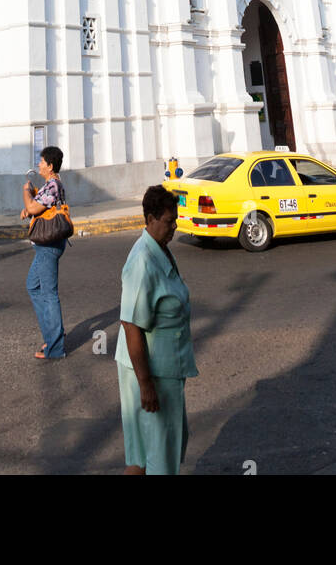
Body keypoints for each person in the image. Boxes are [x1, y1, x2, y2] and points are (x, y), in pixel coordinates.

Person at [115, 185, 198, 475]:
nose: (174, 227)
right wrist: (146, 385)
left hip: (161, 367)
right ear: (150, 219)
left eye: (175, 220)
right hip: (150, 372)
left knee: (142, 455)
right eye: (168, 221)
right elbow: (131, 325)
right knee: (160, 455)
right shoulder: (143, 261)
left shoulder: (158, 249)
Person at [21, 146, 67, 360]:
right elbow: (36, 207)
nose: (38, 164)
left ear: (50, 166)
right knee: (33, 286)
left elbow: (32, 208)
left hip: (49, 246)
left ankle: (56, 347)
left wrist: (25, 192)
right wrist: (30, 203)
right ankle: (52, 335)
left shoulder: (53, 186)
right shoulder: (50, 185)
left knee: (49, 294)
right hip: (45, 245)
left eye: (41, 162)